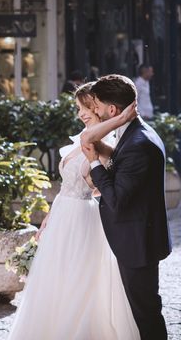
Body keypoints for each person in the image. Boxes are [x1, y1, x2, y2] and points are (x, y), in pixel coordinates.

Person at [8, 82, 140, 339]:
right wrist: (48, 217)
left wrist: (123, 118)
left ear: (101, 108)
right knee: (55, 279)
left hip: (82, 218)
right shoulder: (86, 135)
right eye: (78, 107)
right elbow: (66, 185)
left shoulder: (103, 140)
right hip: (62, 214)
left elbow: (99, 184)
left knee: (79, 280)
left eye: (86, 107)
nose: (80, 113)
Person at [82, 74, 171, 339]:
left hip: (137, 242)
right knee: (141, 311)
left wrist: (96, 163)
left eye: (96, 105)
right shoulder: (135, 134)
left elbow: (117, 201)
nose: (94, 111)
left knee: (145, 312)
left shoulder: (139, 144)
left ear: (112, 109)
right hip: (136, 237)